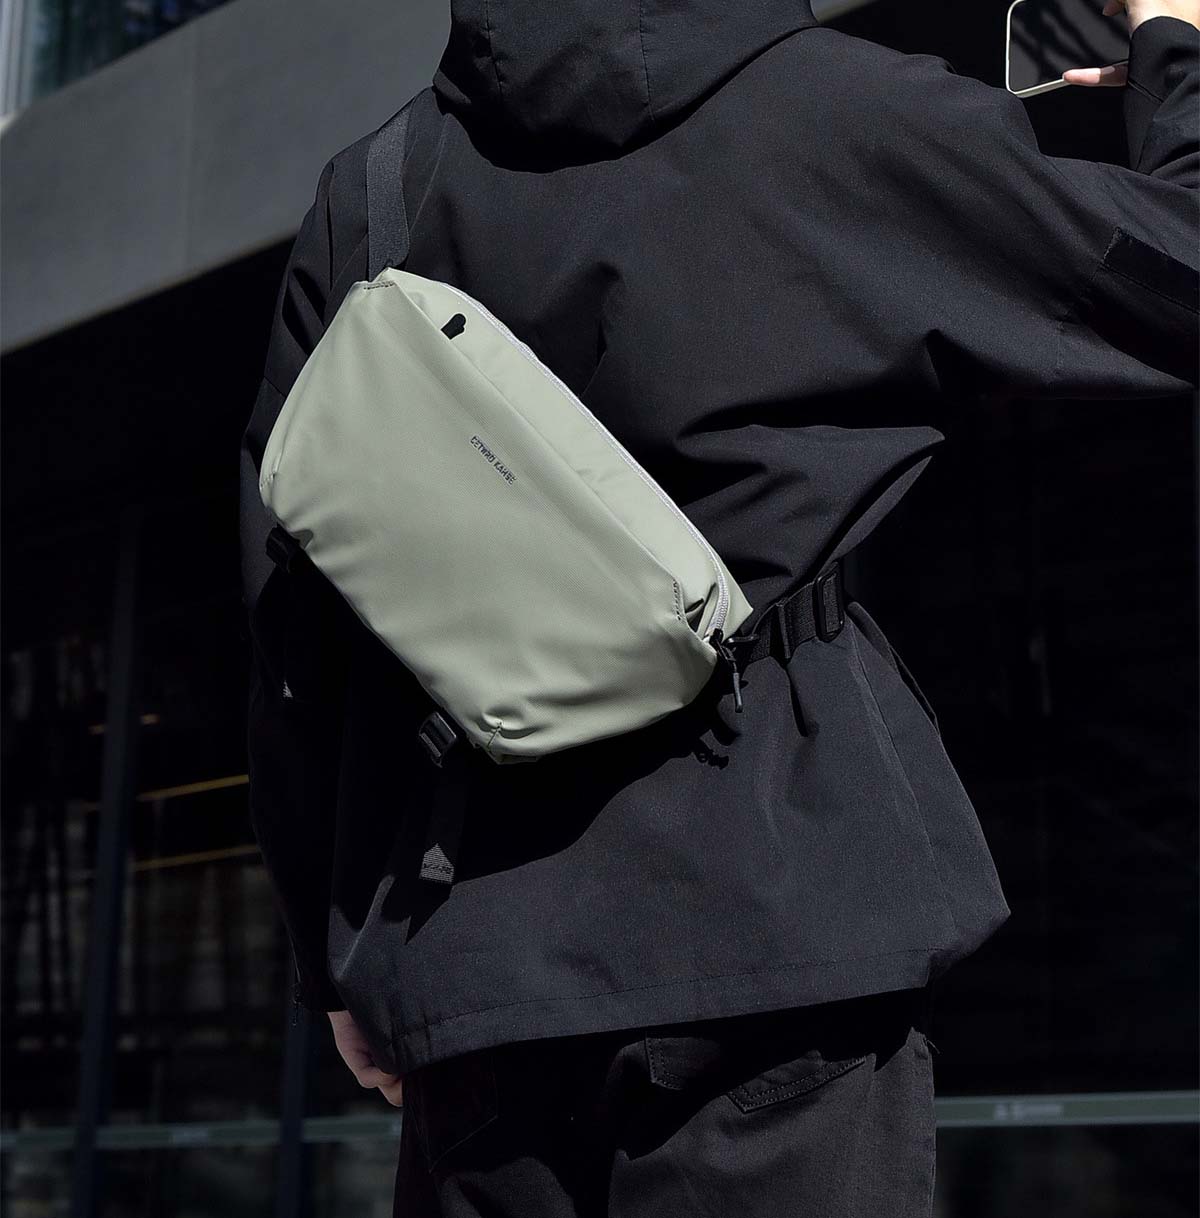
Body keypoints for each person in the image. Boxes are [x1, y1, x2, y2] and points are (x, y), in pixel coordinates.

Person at [237, 0, 1198, 1213]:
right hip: (778, 912)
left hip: (474, 950)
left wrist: (332, 959)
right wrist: (1175, 51)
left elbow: (295, 619)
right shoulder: (846, 115)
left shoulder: (377, 188)